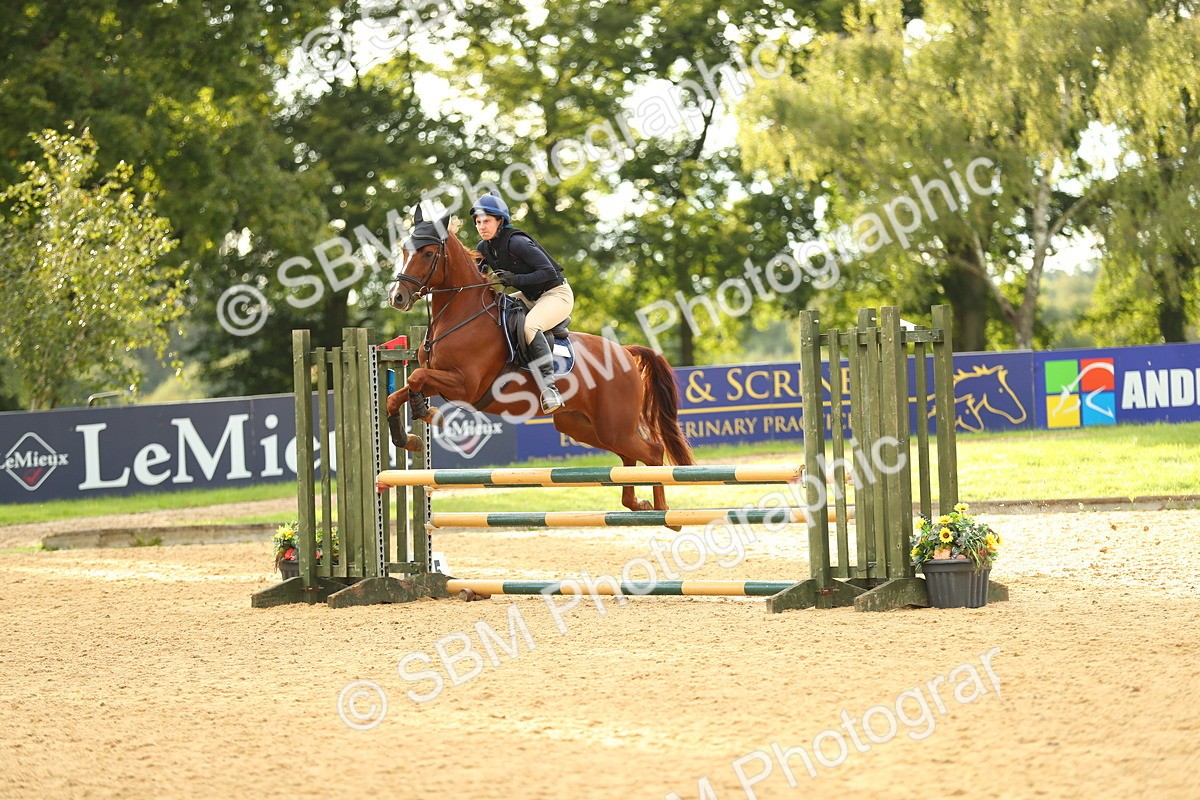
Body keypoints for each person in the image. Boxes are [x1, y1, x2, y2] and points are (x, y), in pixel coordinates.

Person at [470, 191, 573, 413]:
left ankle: (550, 390)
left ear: (500, 221)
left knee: (530, 326)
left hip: (556, 294)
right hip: (529, 297)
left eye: (487, 221)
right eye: (478, 222)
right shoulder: (483, 248)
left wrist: (515, 279)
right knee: (491, 309)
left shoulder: (517, 242)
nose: (482, 226)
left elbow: (548, 271)